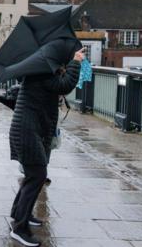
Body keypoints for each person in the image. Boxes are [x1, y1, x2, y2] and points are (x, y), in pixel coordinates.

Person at [9, 47, 85, 247]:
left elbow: (58, 86)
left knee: (33, 175)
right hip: (27, 131)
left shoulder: (41, 67)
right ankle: (19, 228)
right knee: (37, 175)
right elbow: (65, 85)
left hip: (29, 129)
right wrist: (76, 62)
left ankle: (19, 213)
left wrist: (65, 66)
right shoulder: (42, 70)